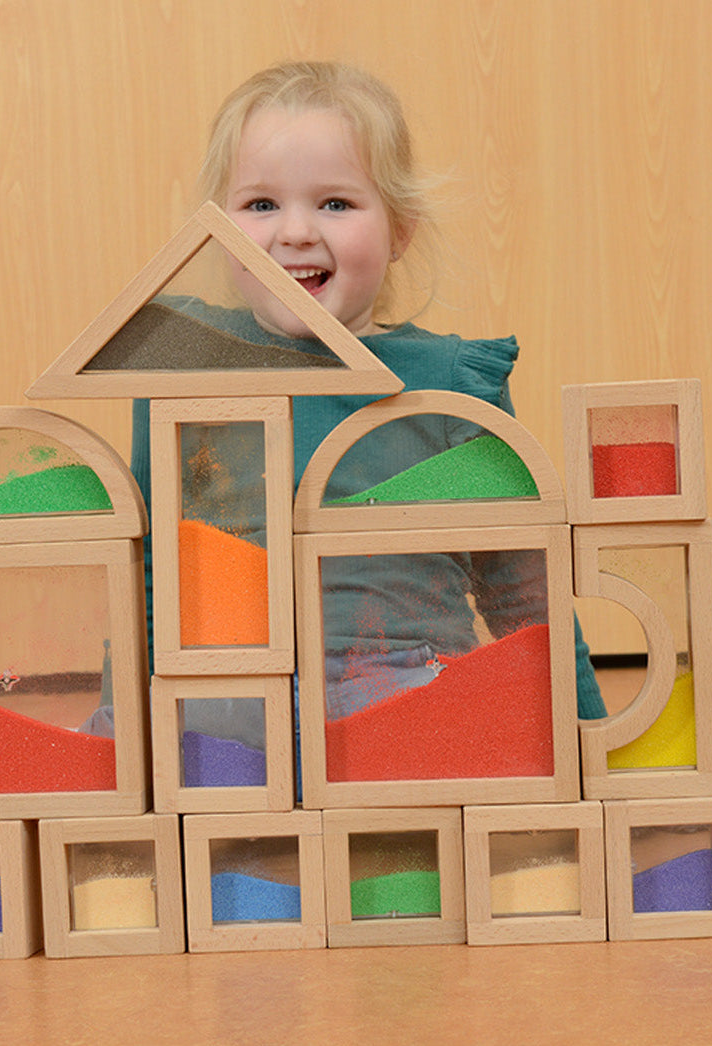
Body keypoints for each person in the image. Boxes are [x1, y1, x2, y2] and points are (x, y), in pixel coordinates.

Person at [129, 59, 607, 745]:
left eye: (335, 203)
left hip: (405, 688)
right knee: (122, 737)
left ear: (401, 229)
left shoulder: (451, 380)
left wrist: (596, 748)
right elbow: (149, 577)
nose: (294, 232)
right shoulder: (180, 370)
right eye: (261, 205)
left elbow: (526, 594)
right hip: (234, 704)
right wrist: (136, 740)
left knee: (484, 727)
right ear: (217, 228)